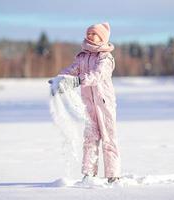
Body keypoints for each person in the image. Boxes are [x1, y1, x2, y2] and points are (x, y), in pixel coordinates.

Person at [48, 22, 121, 183]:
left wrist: (77, 81)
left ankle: (113, 175)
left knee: (109, 138)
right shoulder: (82, 56)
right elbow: (71, 70)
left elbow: (97, 75)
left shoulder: (105, 57)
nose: (90, 35)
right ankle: (89, 174)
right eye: (88, 33)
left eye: (93, 34)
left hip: (104, 104)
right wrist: (60, 80)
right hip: (88, 104)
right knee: (90, 138)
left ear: (102, 37)